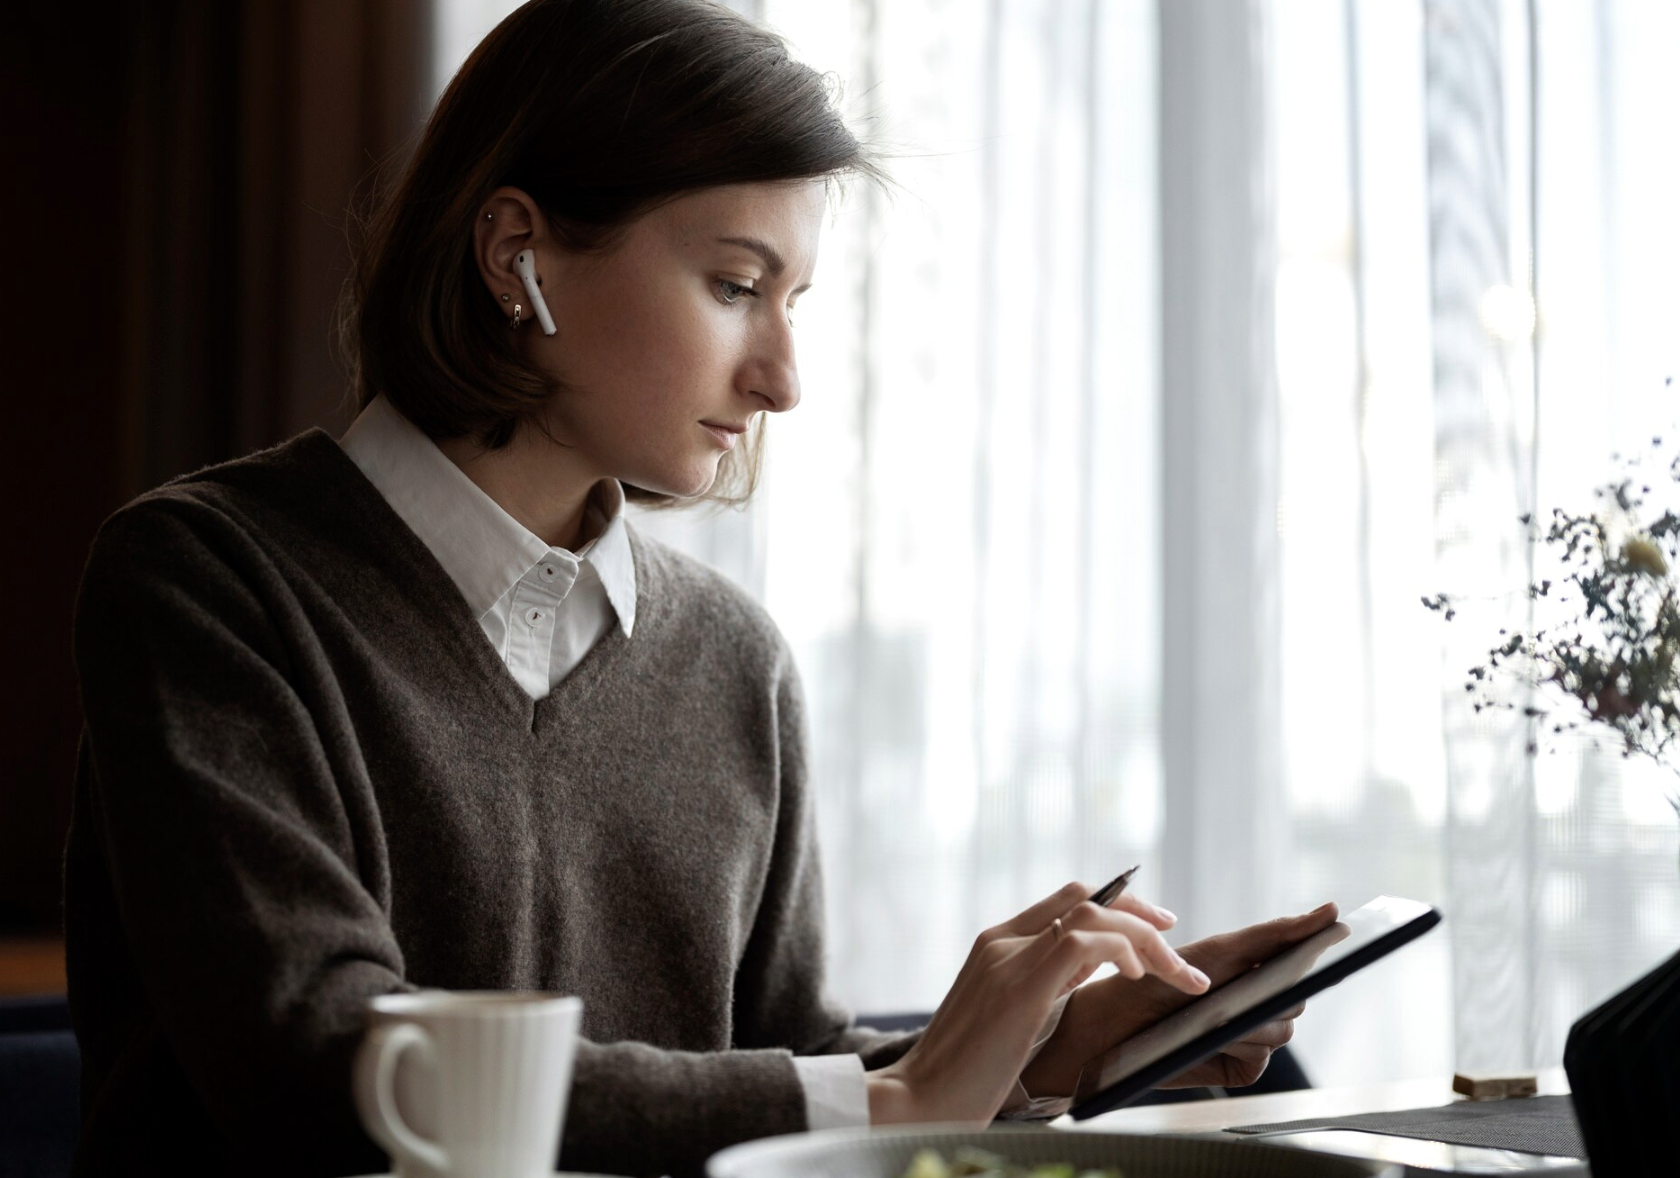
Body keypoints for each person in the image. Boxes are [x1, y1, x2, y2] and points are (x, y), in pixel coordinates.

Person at [63, 1, 1337, 1174]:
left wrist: (1042, 1054)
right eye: (736, 287)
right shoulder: (207, 578)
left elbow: (770, 1072)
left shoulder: (736, 658)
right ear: (519, 255)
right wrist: (899, 1097)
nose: (782, 377)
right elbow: (326, 1063)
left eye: (794, 300)